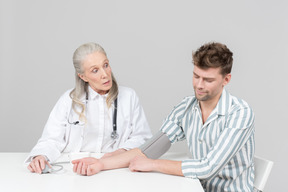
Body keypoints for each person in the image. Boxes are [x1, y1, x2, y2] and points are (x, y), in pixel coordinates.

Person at [72, 42, 255, 192]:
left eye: (208, 80)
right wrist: (100, 164)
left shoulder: (240, 114)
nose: (199, 85)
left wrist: (153, 164)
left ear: (226, 79)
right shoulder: (186, 108)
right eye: (196, 76)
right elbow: (148, 149)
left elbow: (207, 168)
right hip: (197, 188)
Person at [26, 42, 152, 174]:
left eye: (106, 65)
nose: (105, 74)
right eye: (95, 70)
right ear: (83, 76)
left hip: (115, 168)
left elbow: (142, 137)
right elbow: (51, 139)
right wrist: (40, 156)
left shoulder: (129, 96)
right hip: (75, 169)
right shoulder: (68, 100)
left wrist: (121, 152)